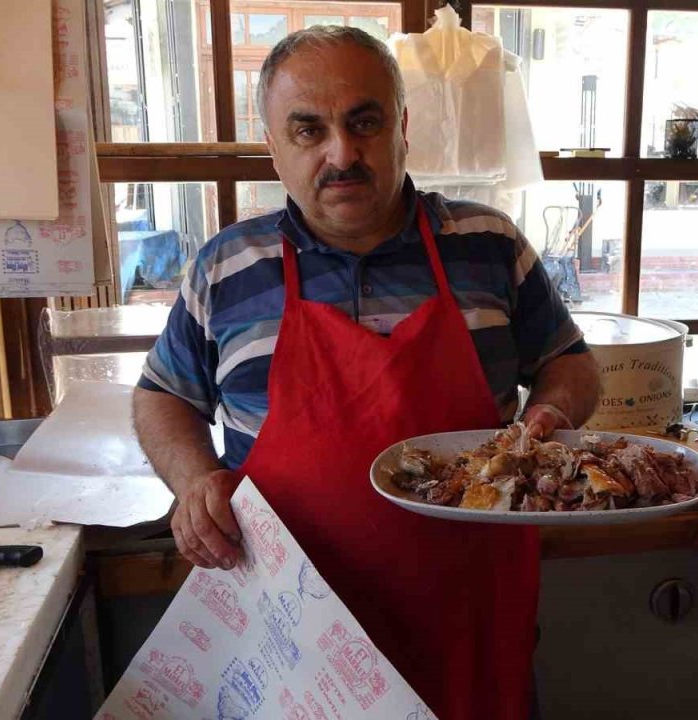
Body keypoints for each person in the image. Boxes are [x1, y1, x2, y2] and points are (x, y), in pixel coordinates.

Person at [133, 25, 601, 719]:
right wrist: (195, 480)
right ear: (272, 147)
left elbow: (571, 363)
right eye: (308, 130)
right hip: (292, 640)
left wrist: (553, 414)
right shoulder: (226, 268)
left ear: (402, 127)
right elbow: (162, 398)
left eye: (364, 122)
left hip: (469, 620)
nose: (341, 153)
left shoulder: (487, 246)